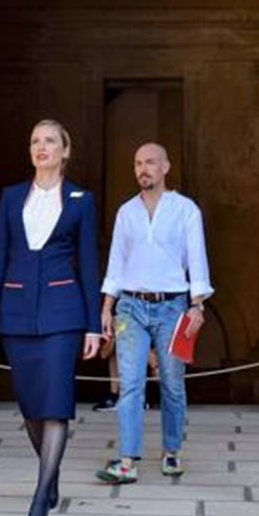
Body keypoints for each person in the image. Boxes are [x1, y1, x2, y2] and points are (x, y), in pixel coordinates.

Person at [0, 119, 101, 516]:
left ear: (65, 151)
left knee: (57, 402)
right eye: (35, 141)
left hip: (64, 316)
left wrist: (93, 325)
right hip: (15, 312)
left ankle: (40, 496)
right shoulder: (11, 198)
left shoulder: (82, 199)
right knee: (31, 407)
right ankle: (52, 471)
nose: (41, 147)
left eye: (50, 141)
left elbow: (89, 263)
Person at [95, 143, 213, 484]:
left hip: (173, 306)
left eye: (149, 162)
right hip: (130, 306)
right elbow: (116, 263)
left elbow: (197, 259)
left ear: (165, 167)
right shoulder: (126, 212)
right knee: (130, 385)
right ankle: (128, 460)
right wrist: (106, 306)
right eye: (137, 163)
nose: (142, 169)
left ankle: (171, 451)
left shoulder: (185, 210)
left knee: (172, 384)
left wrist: (198, 305)